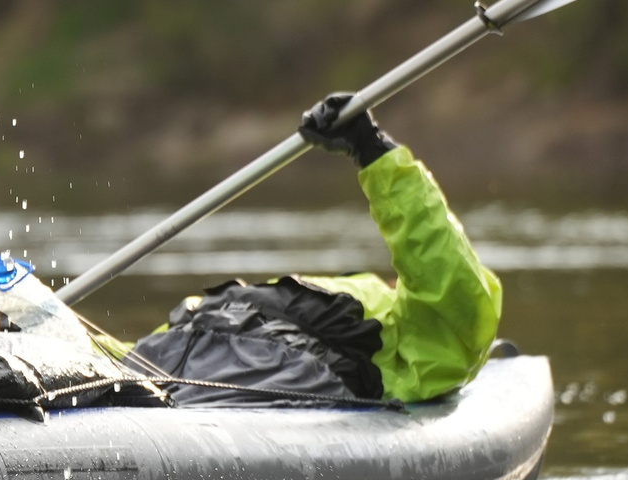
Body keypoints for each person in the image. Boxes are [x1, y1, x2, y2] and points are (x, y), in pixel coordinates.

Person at [106, 93, 504, 406]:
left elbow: (444, 274)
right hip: (175, 345)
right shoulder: (325, 293)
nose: (397, 277)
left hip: (277, 366)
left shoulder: (421, 336)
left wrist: (371, 147)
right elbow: (126, 354)